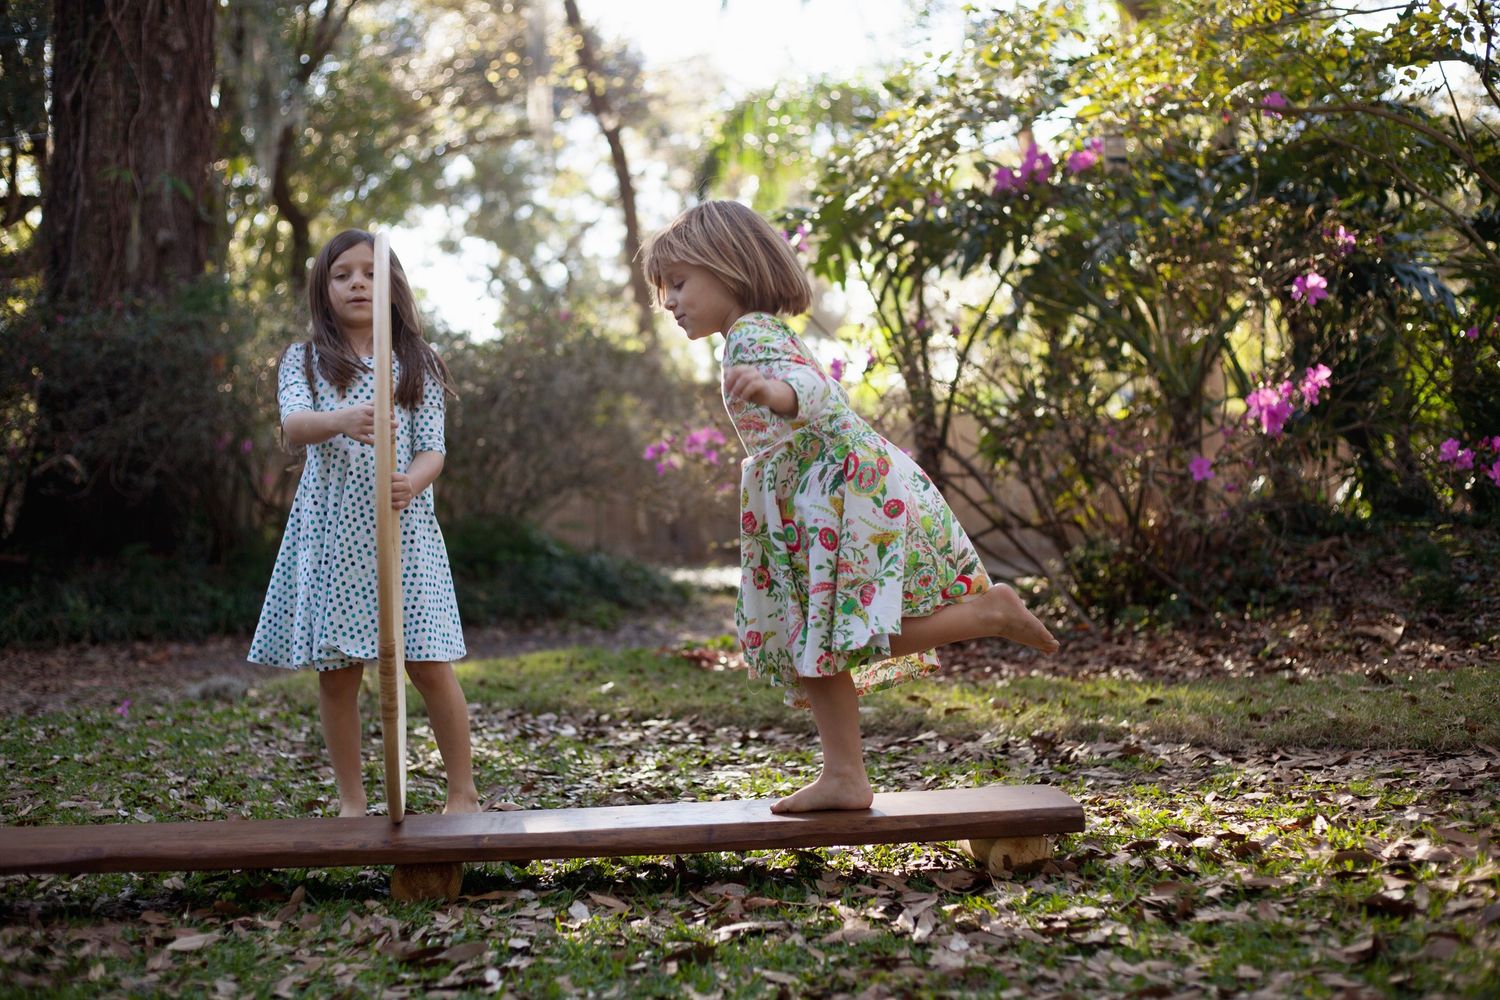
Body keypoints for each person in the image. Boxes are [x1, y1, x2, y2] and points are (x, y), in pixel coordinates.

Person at [642, 201, 1059, 814]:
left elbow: (811, 391)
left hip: (835, 494)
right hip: (820, 494)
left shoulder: (753, 336)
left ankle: (986, 615)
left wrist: (775, 393)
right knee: (815, 640)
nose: (671, 301)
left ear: (728, 266)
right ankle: (844, 776)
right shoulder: (746, 336)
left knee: (830, 636)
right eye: (664, 290)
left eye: (679, 283)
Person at [249, 229, 479, 818]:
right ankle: (352, 802)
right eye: (343, 273)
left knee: (427, 662)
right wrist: (341, 418)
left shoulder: (417, 362)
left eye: (372, 273)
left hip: (403, 533)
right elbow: (295, 425)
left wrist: (415, 481)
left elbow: (434, 448)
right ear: (322, 289)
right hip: (332, 536)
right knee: (338, 672)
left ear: (393, 287)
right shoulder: (303, 359)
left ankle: (462, 793)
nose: (358, 282)